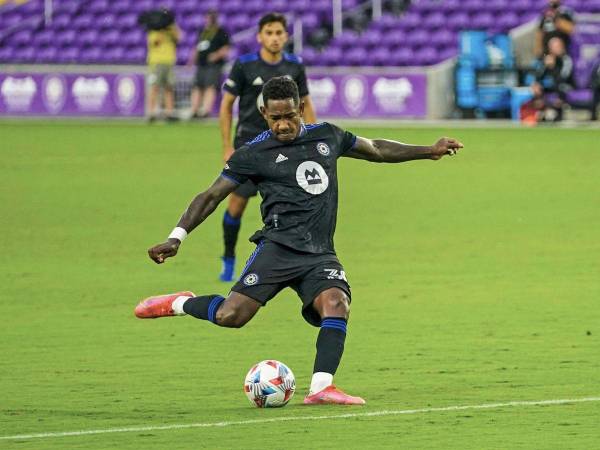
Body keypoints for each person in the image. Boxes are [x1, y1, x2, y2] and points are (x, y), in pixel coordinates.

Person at [134, 76, 464, 405]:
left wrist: (428, 151)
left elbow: (377, 149)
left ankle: (321, 387)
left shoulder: (328, 135)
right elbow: (210, 196)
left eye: (289, 116)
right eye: (275, 118)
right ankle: (180, 302)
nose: (283, 124)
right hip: (277, 248)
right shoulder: (252, 153)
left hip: (319, 253)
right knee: (230, 317)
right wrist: (176, 237)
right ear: (264, 113)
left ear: (301, 108)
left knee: (337, 303)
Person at [218, 12, 317, 282]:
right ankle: (228, 257)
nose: (274, 38)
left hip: (286, 144)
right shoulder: (244, 65)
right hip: (249, 145)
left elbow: (306, 104)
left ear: (286, 36)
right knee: (236, 206)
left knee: (291, 204)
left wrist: (312, 138)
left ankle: (296, 258)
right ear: (260, 36)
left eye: (279, 33)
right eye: (269, 33)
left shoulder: (295, 65)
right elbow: (226, 106)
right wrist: (227, 146)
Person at [188, 10, 230, 119]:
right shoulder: (202, 32)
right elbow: (197, 47)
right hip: (201, 64)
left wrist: (216, 55)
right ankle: (194, 110)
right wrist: (192, 60)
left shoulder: (220, 32)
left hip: (214, 65)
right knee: (197, 86)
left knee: (209, 86)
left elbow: (226, 48)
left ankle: (206, 111)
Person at [146, 12, 181, 122]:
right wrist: (161, 31)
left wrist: (172, 28)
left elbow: (179, 38)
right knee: (155, 87)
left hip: (169, 61)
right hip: (157, 62)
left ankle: (169, 112)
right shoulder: (153, 31)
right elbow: (155, 42)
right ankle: (151, 112)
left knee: (168, 87)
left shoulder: (171, 30)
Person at [531, 37, 575, 121]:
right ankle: (541, 112)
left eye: (558, 46)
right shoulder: (547, 58)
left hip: (565, 85)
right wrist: (545, 66)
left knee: (560, 87)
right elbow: (539, 76)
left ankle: (556, 112)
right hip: (552, 85)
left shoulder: (566, 59)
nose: (557, 49)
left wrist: (553, 68)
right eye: (554, 47)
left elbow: (563, 77)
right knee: (538, 87)